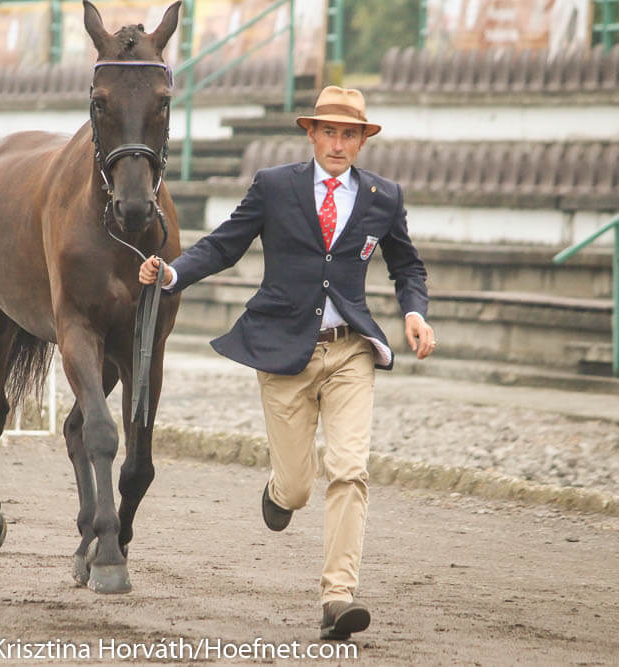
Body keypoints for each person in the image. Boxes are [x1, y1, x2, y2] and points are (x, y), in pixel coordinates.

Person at [138, 86, 436, 641]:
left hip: (351, 351)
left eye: (350, 135)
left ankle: (337, 597)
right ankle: (279, 491)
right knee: (299, 487)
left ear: (362, 141)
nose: (339, 144)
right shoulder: (275, 186)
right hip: (283, 351)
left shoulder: (384, 197)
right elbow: (223, 245)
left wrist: (415, 312)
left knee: (349, 470)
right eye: (330, 132)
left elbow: (408, 266)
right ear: (312, 134)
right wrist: (173, 273)